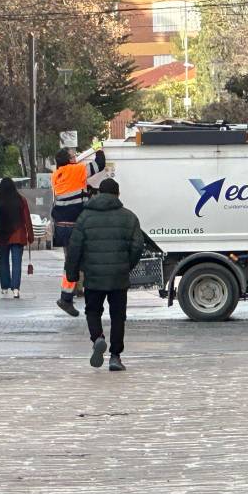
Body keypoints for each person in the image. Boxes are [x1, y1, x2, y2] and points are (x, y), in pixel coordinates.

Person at [64, 178, 144, 371]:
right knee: (118, 316)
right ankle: (115, 357)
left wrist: (72, 274)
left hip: (93, 275)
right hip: (118, 276)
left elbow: (74, 248)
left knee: (93, 311)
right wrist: (127, 265)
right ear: (117, 194)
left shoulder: (85, 217)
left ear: (99, 193)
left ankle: (98, 338)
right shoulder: (129, 217)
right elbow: (137, 246)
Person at [52, 145, 106, 317]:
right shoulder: (76, 170)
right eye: (73, 155)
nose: (75, 156)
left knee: (72, 261)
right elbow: (100, 164)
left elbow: (73, 192)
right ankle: (67, 298)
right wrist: (99, 148)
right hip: (74, 225)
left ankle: (68, 296)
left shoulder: (57, 174)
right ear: (69, 160)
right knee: (77, 262)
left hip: (61, 225)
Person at [0, 177, 34, 298]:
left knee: (3, 261)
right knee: (16, 262)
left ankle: (4, 287)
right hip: (18, 235)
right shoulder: (20, 199)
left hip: (2, 236)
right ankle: (16, 289)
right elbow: (27, 218)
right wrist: (30, 236)